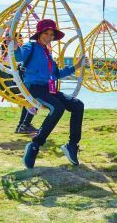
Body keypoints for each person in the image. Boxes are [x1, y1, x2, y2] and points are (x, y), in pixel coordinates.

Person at [16, 19, 84, 169]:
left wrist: (76, 66)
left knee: (78, 105)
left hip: (48, 88)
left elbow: (56, 74)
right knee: (57, 108)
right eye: (46, 33)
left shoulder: (48, 53)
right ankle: (35, 145)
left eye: (51, 34)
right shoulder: (30, 47)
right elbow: (19, 56)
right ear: (39, 34)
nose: (49, 37)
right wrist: (15, 47)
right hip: (34, 88)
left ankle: (72, 145)